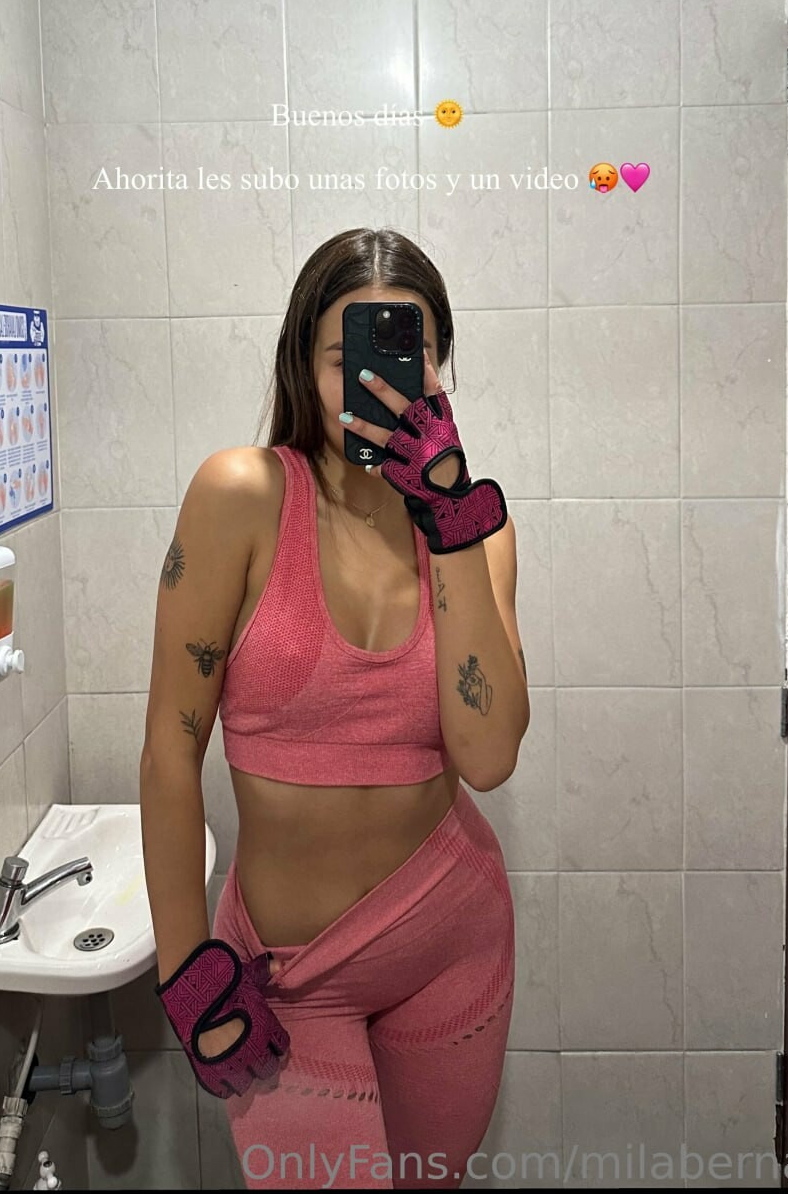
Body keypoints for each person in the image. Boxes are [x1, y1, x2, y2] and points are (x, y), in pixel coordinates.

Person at [140, 228, 530, 1191]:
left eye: (410, 352)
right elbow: (170, 748)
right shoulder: (240, 495)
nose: (379, 381)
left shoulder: (477, 530)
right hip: (288, 971)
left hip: (450, 943)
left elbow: (487, 758)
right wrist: (187, 968)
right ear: (303, 365)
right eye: (344, 356)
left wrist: (451, 519)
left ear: (439, 365)